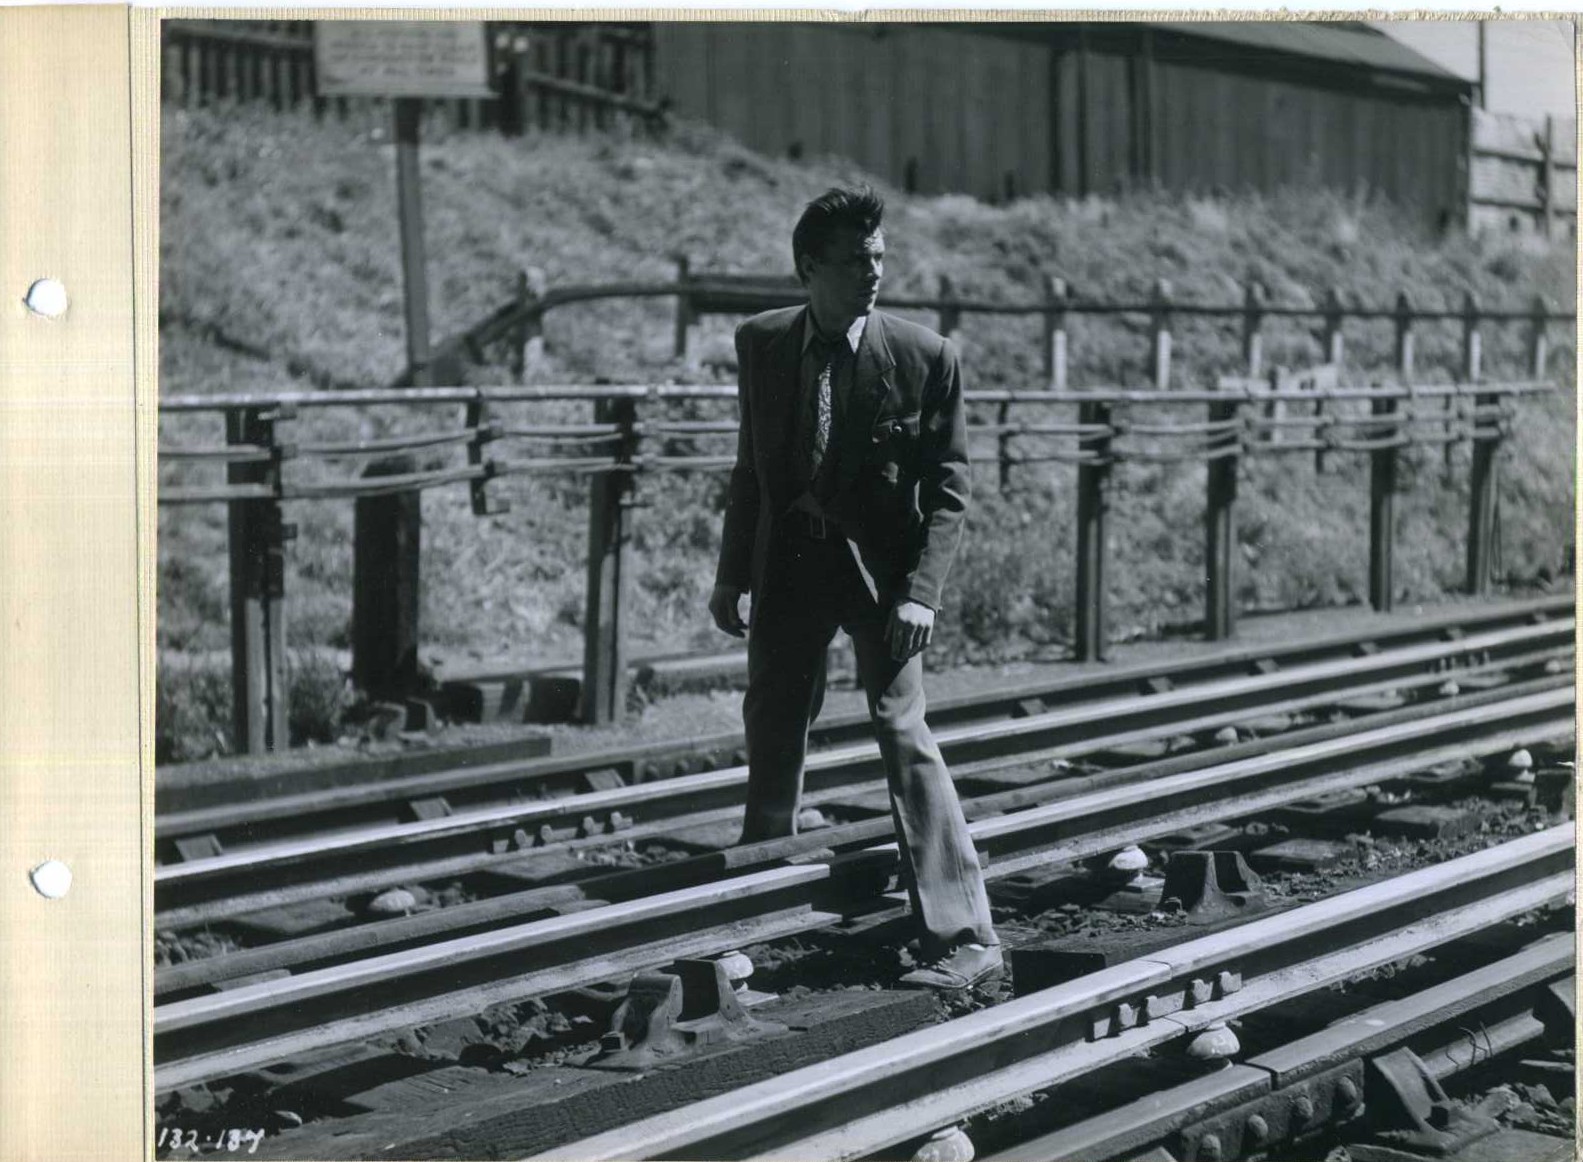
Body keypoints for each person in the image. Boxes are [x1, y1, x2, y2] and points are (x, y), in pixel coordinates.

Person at [707, 186, 1001, 990]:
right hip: (788, 564)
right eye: (852, 261)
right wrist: (732, 572)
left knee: (901, 727)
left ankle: (963, 929)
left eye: (877, 257)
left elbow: (950, 489)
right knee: (773, 716)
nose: (872, 274)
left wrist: (921, 593)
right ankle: (761, 883)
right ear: (808, 268)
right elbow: (749, 468)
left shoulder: (925, 356)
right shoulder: (762, 342)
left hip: (884, 578)